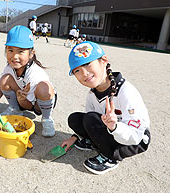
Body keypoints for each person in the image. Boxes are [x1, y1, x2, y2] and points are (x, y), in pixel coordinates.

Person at [61, 41, 151, 175]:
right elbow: (88, 121)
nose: (84, 73)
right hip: (112, 131)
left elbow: (136, 136)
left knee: (90, 119)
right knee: (75, 119)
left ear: (104, 60)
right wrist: (74, 137)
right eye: (77, 70)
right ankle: (94, 142)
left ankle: (110, 157)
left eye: (87, 64)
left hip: (134, 140)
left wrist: (115, 127)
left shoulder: (126, 92)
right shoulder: (92, 93)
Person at [0, 25, 57, 137]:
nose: (14, 56)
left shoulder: (35, 73)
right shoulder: (9, 67)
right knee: (4, 79)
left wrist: (21, 98)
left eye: (21, 51)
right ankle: (15, 109)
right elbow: (1, 87)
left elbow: (30, 105)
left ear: (31, 53)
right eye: (10, 50)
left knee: (43, 87)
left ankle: (47, 119)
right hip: (23, 97)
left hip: (40, 103)